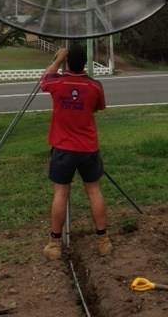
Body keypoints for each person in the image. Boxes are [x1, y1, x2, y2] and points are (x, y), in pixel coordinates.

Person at [41, 45, 112, 260]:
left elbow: (43, 79)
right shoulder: (95, 86)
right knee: (94, 191)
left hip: (63, 148)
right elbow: (97, 107)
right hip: (88, 148)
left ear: (67, 61)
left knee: (61, 193)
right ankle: (103, 241)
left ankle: (54, 244)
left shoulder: (57, 82)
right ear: (85, 62)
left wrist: (57, 60)